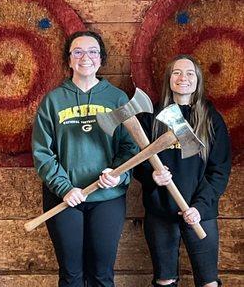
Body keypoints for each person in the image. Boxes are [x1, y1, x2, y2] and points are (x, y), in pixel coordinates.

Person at [32, 30, 137, 287]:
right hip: (65, 199)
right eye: (77, 52)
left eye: (92, 52)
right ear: (69, 60)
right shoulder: (53, 101)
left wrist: (119, 174)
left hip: (107, 199)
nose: (85, 57)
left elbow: (130, 148)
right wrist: (65, 188)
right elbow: (42, 152)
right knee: (71, 275)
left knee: (102, 275)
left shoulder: (117, 99)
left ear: (101, 59)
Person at [134, 54, 231, 287]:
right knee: (165, 279)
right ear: (169, 78)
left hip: (200, 211)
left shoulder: (211, 119)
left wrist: (200, 206)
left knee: (209, 282)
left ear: (198, 80)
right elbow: (139, 163)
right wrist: (152, 176)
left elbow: (219, 170)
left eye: (190, 73)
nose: (183, 78)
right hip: (161, 211)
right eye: (177, 72)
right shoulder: (152, 118)